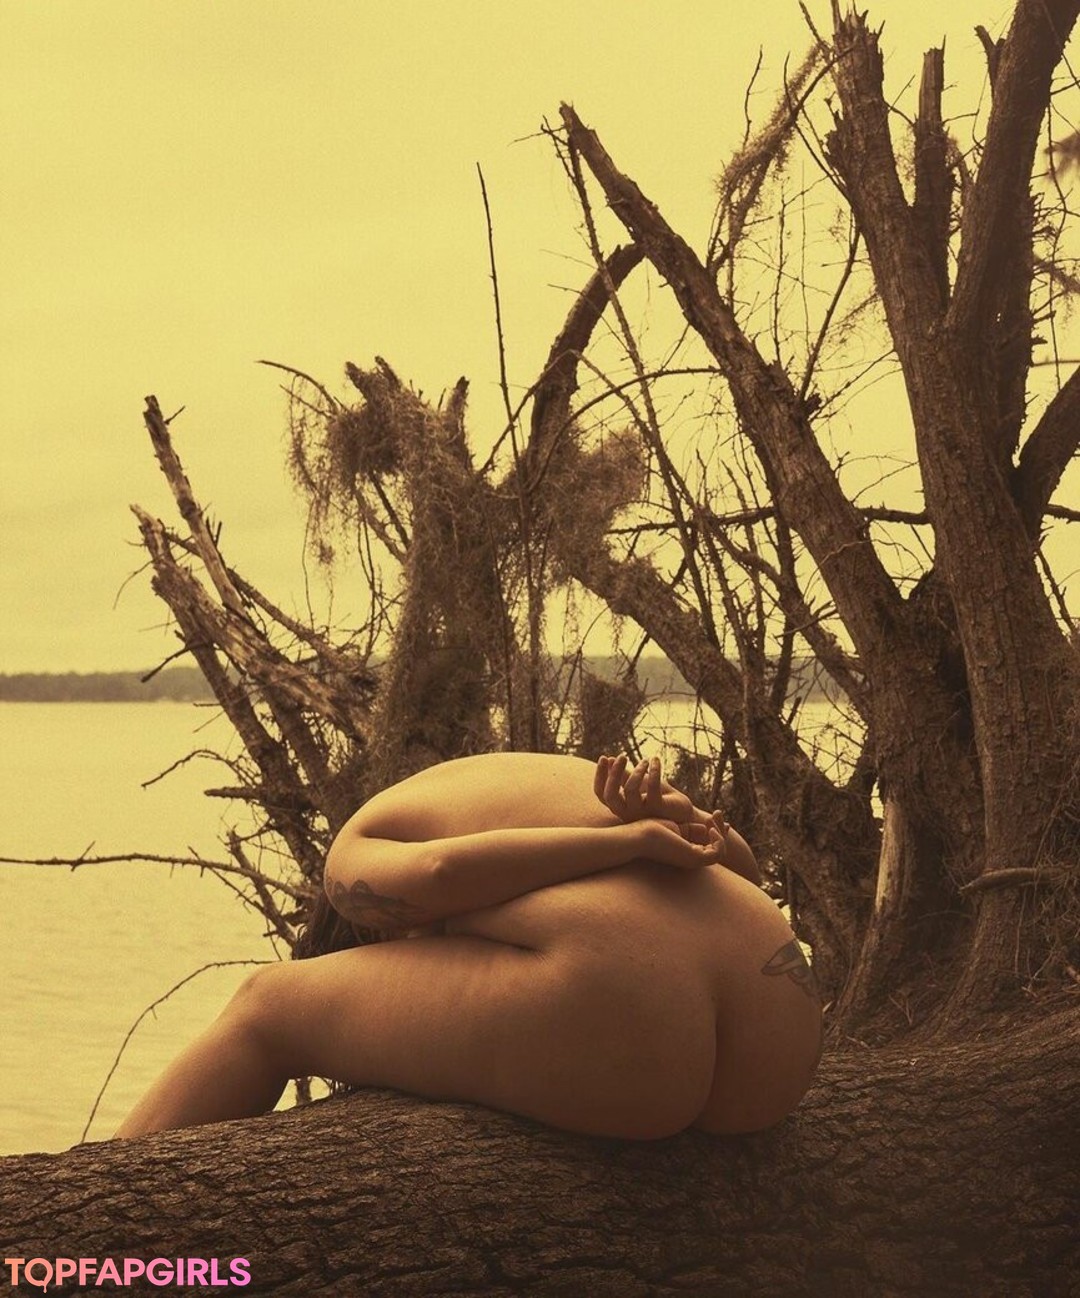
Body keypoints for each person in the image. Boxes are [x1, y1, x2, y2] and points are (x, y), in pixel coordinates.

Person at [115, 753, 823, 1141]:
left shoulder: (353, 854)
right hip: (782, 1038)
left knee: (266, 1005)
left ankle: (87, 1231)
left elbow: (437, 875)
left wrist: (631, 839)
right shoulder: (517, 781)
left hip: (634, 1035)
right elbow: (741, 874)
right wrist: (672, 816)